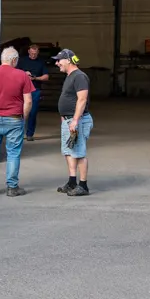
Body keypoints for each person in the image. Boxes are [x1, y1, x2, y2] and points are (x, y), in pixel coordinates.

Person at [0, 47, 35, 197]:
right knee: (13, 154)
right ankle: (12, 187)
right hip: (15, 119)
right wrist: (24, 118)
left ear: (2, 59)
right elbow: (28, 101)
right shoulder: (22, 75)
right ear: (14, 60)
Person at [52, 49, 93, 197]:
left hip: (78, 121)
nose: (57, 63)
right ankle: (72, 182)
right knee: (69, 151)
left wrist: (75, 119)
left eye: (59, 60)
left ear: (68, 60)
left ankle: (83, 185)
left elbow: (82, 99)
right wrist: (64, 116)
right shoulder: (70, 76)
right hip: (68, 120)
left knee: (79, 152)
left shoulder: (80, 76)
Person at [17, 44, 49, 141]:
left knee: (32, 112)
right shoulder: (22, 61)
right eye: (32, 53)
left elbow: (46, 77)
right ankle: (18, 133)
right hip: (21, 90)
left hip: (35, 89)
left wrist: (35, 78)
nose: (33, 55)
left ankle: (30, 134)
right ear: (28, 51)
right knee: (19, 112)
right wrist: (24, 74)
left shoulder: (41, 62)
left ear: (38, 52)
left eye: (35, 53)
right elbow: (14, 73)